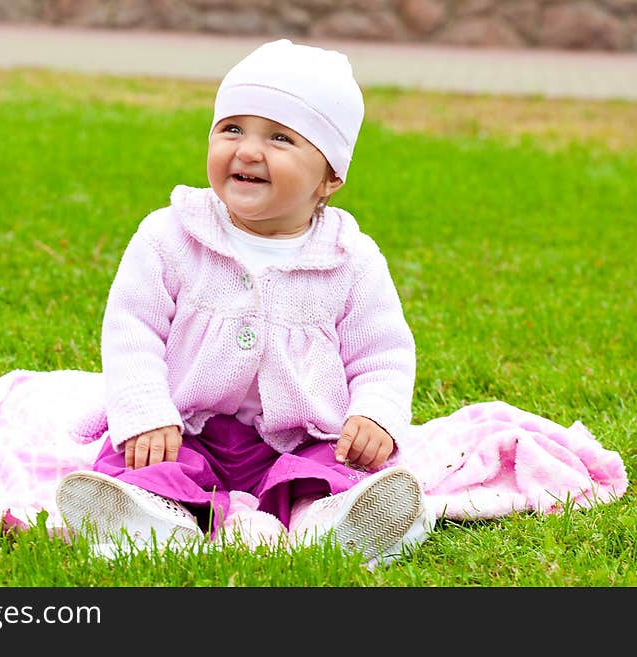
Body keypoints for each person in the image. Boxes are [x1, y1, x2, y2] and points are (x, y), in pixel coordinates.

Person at [56, 38, 434, 569]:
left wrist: (375, 415)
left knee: (334, 467)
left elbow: (384, 354)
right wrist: (145, 412)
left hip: (303, 437)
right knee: (140, 459)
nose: (249, 150)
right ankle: (151, 517)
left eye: (280, 138)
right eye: (231, 128)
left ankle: (331, 520)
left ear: (330, 178)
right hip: (185, 427)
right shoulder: (170, 236)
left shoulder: (350, 258)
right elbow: (132, 332)